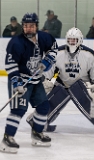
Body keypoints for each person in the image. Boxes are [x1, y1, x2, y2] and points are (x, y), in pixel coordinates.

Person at [27, 27, 94, 135]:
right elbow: (47, 71)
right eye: (69, 39)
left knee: (85, 100)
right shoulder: (58, 53)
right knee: (54, 100)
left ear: (80, 40)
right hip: (62, 84)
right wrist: (43, 80)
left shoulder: (89, 54)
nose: (71, 42)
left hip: (82, 85)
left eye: (74, 40)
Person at [0, 13, 58, 153]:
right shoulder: (16, 42)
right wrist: (16, 82)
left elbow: (54, 48)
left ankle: (37, 134)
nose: (28, 28)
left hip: (35, 80)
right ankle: (7, 138)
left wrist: (47, 62)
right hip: (20, 79)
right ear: (23, 26)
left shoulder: (44, 37)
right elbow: (10, 64)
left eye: (31, 26)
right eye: (26, 26)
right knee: (19, 110)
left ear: (36, 26)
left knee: (44, 106)